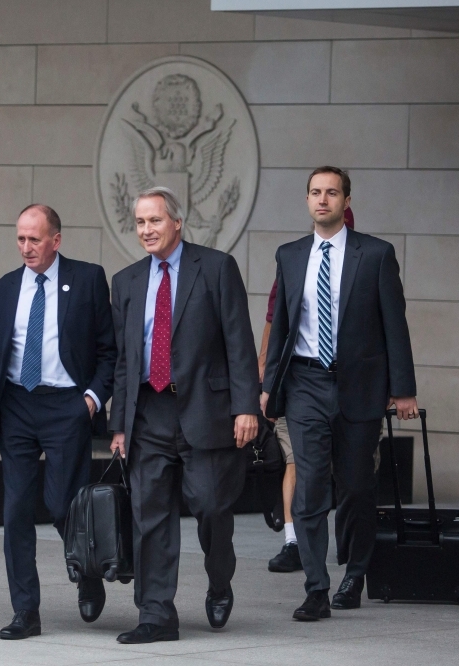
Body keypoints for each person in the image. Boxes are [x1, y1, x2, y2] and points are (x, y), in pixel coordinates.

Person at [262, 166, 417, 621]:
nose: (323, 200)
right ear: (307, 200)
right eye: (315, 192)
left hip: (359, 386)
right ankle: (316, 587)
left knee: (355, 486)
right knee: (310, 485)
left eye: (332, 192)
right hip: (306, 382)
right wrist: (269, 388)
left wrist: (403, 388)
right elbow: (283, 330)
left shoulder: (376, 254)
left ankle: (355, 573)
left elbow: (395, 325)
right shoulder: (290, 255)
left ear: (346, 201)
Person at [109, 186, 258, 644]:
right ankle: (156, 616)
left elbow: (239, 342)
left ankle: (219, 579)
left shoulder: (215, 268)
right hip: (148, 414)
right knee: (149, 516)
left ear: (176, 221)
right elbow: (123, 358)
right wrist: (117, 424)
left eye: (155, 220)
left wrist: (246, 407)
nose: (146, 230)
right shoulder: (127, 281)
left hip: (205, 410)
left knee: (212, 506)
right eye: (139, 223)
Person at [0, 204, 116, 640]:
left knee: (61, 504)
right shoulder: (2, 290)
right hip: (16, 406)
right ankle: (25, 612)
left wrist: (90, 400)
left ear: (56, 239)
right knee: (15, 511)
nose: (26, 247)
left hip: (66, 405)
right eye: (20, 239)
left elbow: (109, 351)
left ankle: (86, 570)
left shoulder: (88, 279)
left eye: (34, 239)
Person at [261, 209, 355, 574]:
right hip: (299, 381)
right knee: (296, 463)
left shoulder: (363, 261)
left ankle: (349, 542)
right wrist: (266, 380)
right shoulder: (297, 259)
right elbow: (275, 319)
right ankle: (293, 542)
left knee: (354, 474)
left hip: (350, 385)